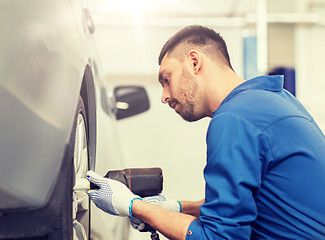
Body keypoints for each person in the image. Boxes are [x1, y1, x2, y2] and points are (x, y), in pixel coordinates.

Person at [87, 25, 325, 239]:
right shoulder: (273, 101)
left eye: (167, 79)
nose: (164, 97)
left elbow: (217, 237)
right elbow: (245, 205)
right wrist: (176, 207)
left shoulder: (235, 118)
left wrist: (133, 206)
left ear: (194, 62)